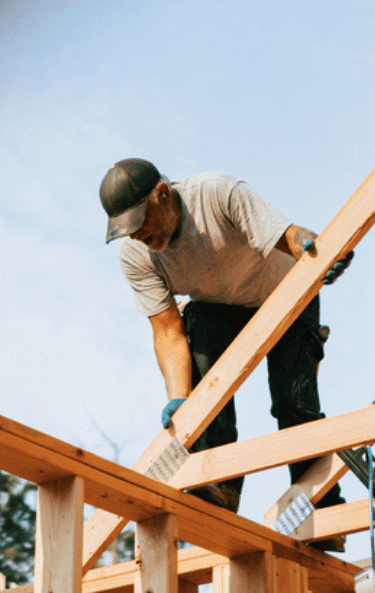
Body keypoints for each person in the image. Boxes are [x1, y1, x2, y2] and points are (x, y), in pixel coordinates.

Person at [100, 157, 351, 524]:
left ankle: (319, 509)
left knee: (293, 404)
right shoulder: (138, 255)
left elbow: (289, 236)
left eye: (141, 224)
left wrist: (317, 251)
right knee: (197, 332)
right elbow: (168, 330)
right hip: (218, 309)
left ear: (163, 195)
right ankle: (217, 485)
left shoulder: (217, 193)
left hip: (284, 295)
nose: (139, 237)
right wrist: (180, 399)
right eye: (129, 231)